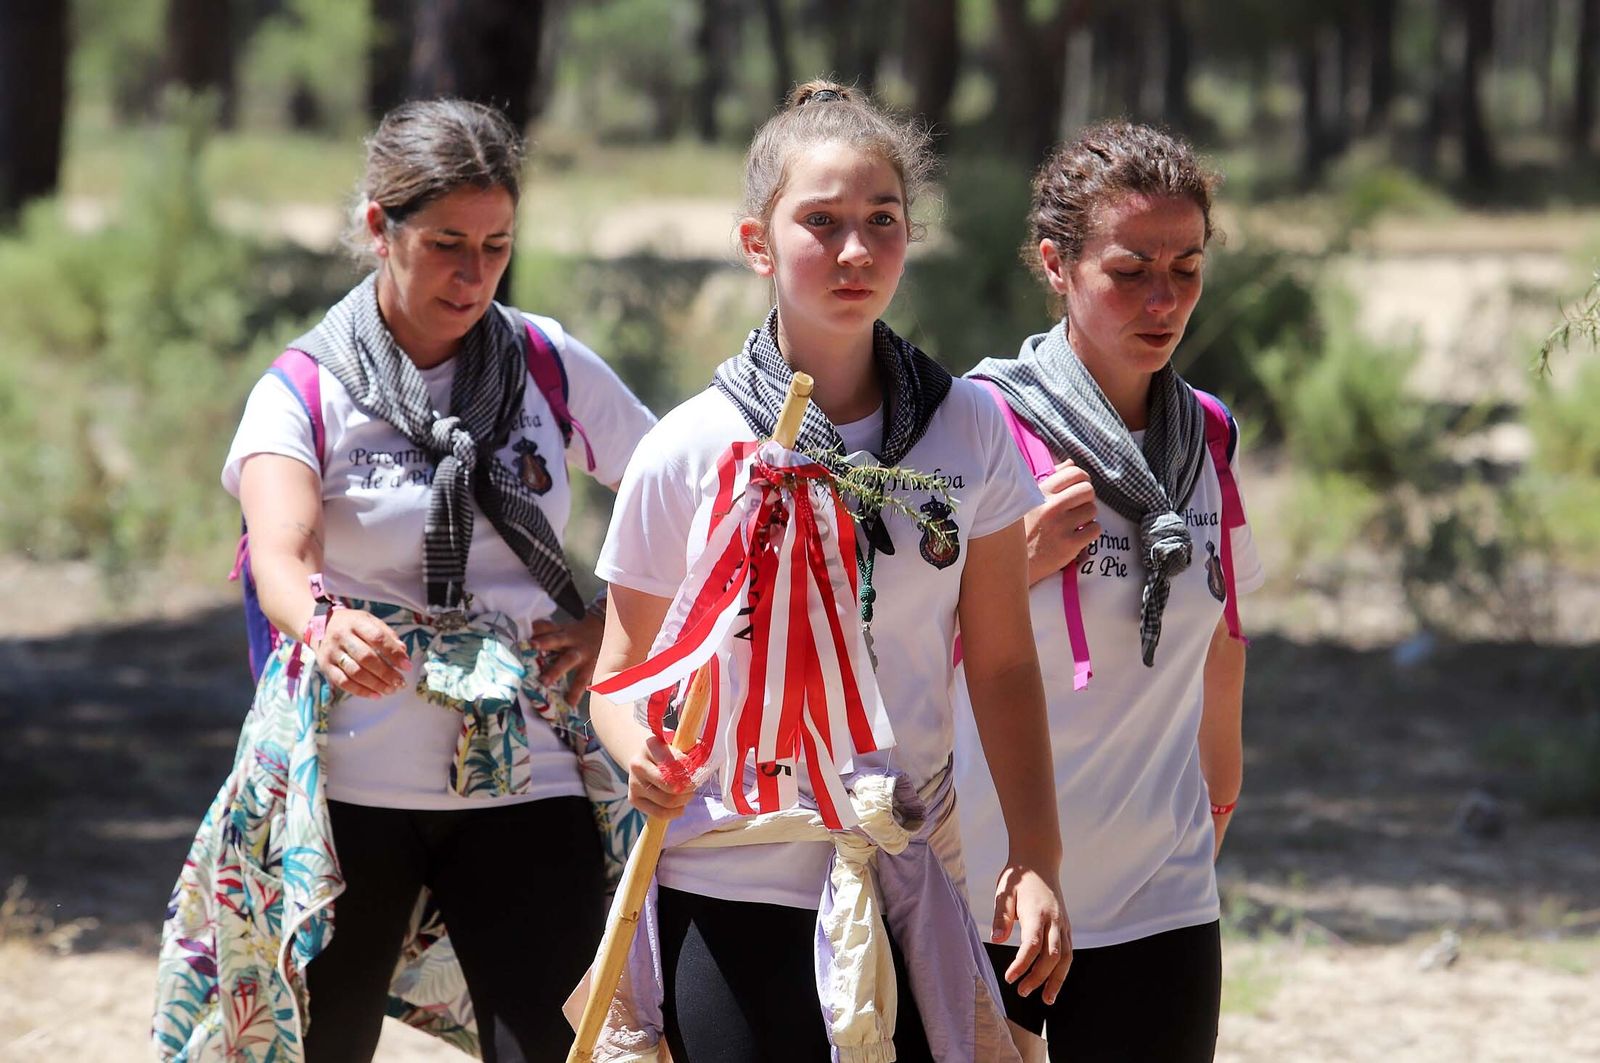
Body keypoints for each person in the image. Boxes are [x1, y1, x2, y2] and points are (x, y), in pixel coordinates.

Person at [153, 99, 657, 1063]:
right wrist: (322, 624)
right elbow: (280, 557)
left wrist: (609, 628)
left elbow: (682, 501)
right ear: (379, 227)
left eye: (497, 246)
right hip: (349, 788)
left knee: (557, 1046)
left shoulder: (548, 366)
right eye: (446, 245)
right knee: (319, 1045)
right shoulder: (305, 387)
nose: (475, 277)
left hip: (528, 778)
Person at [585, 81, 1069, 1063]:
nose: (855, 252)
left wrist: (1035, 853)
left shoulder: (964, 427)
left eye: (880, 222)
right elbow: (620, 666)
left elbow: (1003, 663)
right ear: (755, 242)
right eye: (821, 223)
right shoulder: (691, 448)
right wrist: (633, 749)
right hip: (728, 882)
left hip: (903, 869)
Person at [952, 121, 1265, 1062]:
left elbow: (1225, 632)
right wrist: (1009, 566)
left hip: (1162, 889)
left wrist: (1218, 800)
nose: (1164, 299)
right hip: (994, 885)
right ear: (1057, 264)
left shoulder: (1207, 433)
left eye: (1188, 266)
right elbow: (888, 649)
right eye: (1131, 269)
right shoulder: (979, 425)